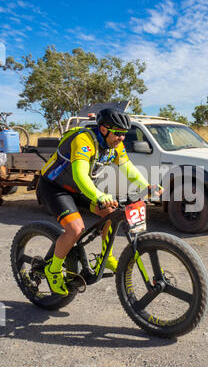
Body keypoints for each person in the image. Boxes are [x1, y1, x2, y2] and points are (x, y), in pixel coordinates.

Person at [38, 108, 161, 296]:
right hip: (55, 187)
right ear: (103, 129)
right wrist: (99, 196)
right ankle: (53, 269)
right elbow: (80, 175)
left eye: (124, 134)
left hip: (79, 188)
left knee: (111, 213)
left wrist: (146, 186)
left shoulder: (115, 145)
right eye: (118, 133)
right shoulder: (84, 140)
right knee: (75, 229)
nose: (121, 138)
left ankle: (107, 256)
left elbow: (127, 167)